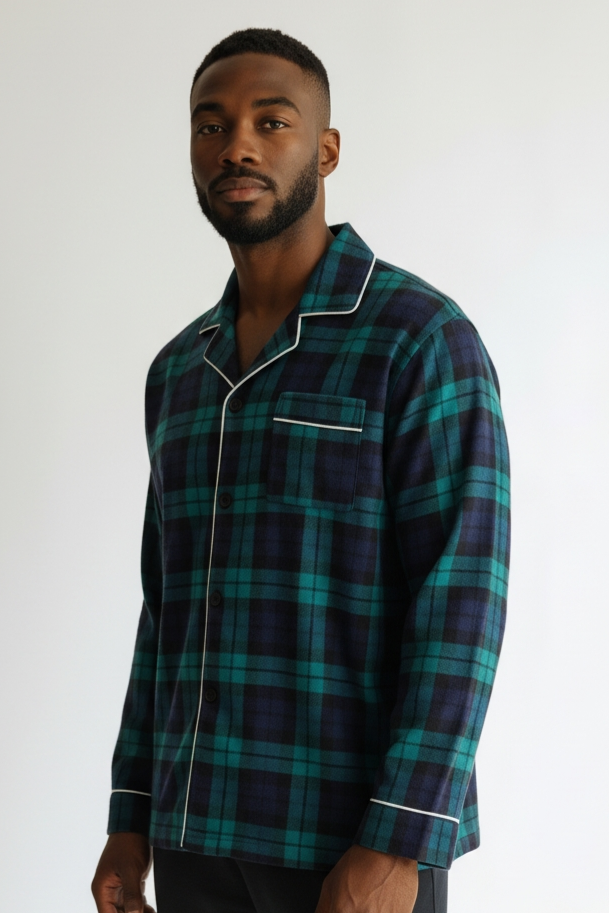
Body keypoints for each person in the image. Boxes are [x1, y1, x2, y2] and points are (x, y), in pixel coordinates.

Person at [91, 28, 510, 913]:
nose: (235, 146)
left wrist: (397, 842)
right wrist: (131, 813)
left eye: (270, 121)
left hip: (343, 844)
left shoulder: (418, 339)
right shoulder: (178, 371)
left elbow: (460, 604)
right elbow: (164, 611)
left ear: (325, 150)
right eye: (211, 125)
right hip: (194, 833)